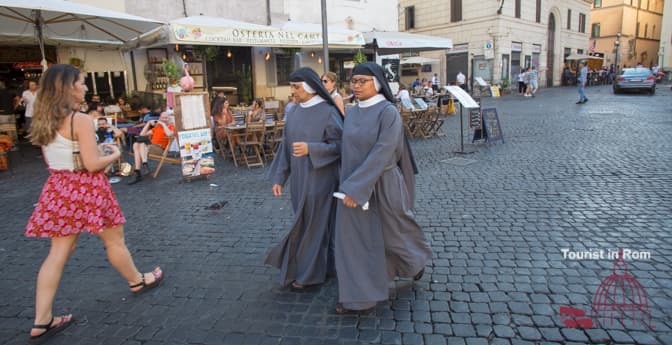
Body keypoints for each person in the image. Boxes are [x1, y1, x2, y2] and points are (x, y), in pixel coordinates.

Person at [25, 64, 163, 343]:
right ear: (68, 87)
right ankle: (137, 280)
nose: (86, 87)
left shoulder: (43, 118)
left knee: (58, 252)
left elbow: (58, 158)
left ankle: (42, 320)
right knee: (114, 241)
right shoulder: (80, 120)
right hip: (87, 187)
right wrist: (112, 154)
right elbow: (91, 164)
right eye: (82, 82)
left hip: (59, 187)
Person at [334, 62, 431, 314]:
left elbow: (383, 152)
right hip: (354, 187)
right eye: (353, 81)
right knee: (355, 242)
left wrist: (357, 188)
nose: (356, 85)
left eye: (362, 81)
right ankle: (359, 297)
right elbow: (347, 150)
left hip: (384, 184)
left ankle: (414, 262)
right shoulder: (352, 112)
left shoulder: (388, 112)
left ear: (376, 83)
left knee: (394, 235)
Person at [266, 67, 343, 289]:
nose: (293, 91)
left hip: (322, 179)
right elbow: (285, 149)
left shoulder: (328, 112)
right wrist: (279, 178)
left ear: (309, 87)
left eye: (296, 87)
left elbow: (341, 146)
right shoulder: (295, 112)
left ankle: (308, 275)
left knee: (314, 226)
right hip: (300, 182)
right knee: (312, 224)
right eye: (292, 86)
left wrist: (313, 149)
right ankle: (328, 267)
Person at [127, 111, 175, 184]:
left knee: (138, 145)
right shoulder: (156, 128)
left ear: (169, 119)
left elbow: (169, 135)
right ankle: (143, 164)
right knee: (137, 144)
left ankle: (138, 172)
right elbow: (142, 135)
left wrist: (162, 124)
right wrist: (148, 123)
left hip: (159, 149)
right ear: (159, 118)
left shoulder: (172, 127)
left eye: (166, 118)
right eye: (162, 118)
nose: (163, 119)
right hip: (148, 147)